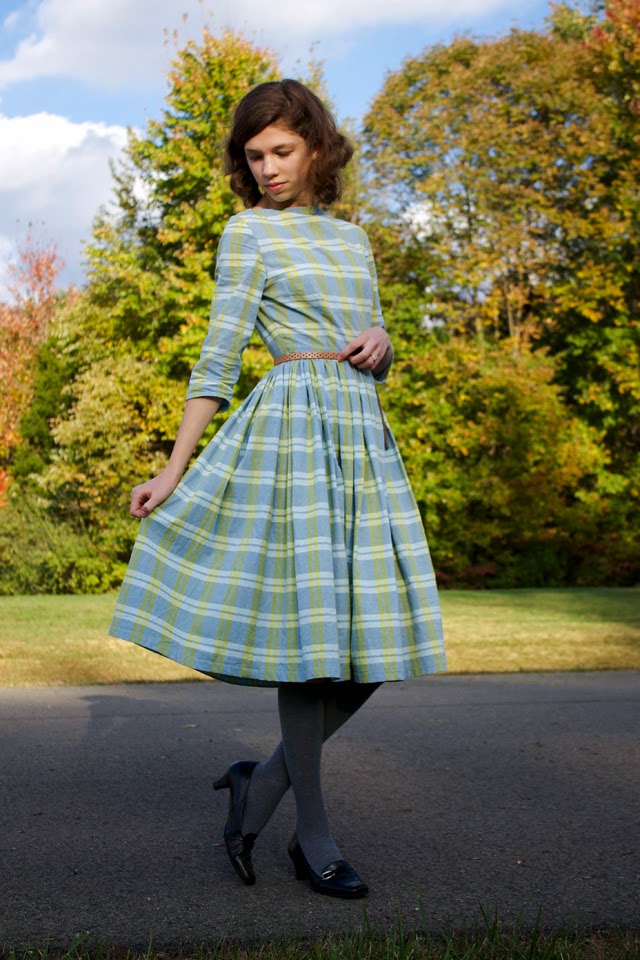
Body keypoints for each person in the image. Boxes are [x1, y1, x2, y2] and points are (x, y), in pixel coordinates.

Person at [109, 79, 446, 899]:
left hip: (359, 442)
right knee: (313, 652)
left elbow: (368, 346)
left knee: (371, 649)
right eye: (255, 155)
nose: (268, 167)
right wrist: (173, 467)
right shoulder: (247, 233)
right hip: (293, 437)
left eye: (282, 150)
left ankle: (256, 786)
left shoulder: (355, 240)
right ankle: (313, 837)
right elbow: (218, 356)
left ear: (317, 147)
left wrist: (382, 341)